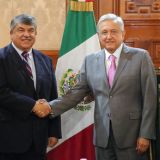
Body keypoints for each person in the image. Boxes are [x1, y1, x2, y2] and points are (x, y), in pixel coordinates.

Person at [38, 13, 157, 160]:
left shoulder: (141, 57)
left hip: (132, 137)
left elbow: (150, 99)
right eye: (104, 32)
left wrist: (145, 134)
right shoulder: (90, 61)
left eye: (113, 31)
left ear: (123, 33)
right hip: (102, 137)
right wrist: (49, 107)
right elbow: (76, 93)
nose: (108, 36)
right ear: (99, 35)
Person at [0, 14, 61, 160]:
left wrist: (54, 131)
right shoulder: (1, 58)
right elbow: (2, 92)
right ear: (11, 33)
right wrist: (32, 105)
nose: (26, 34)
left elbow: (52, 96)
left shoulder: (45, 60)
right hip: (9, 139)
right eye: (21, 30)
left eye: (31, 30)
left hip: (39, 139)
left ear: (36, 34)